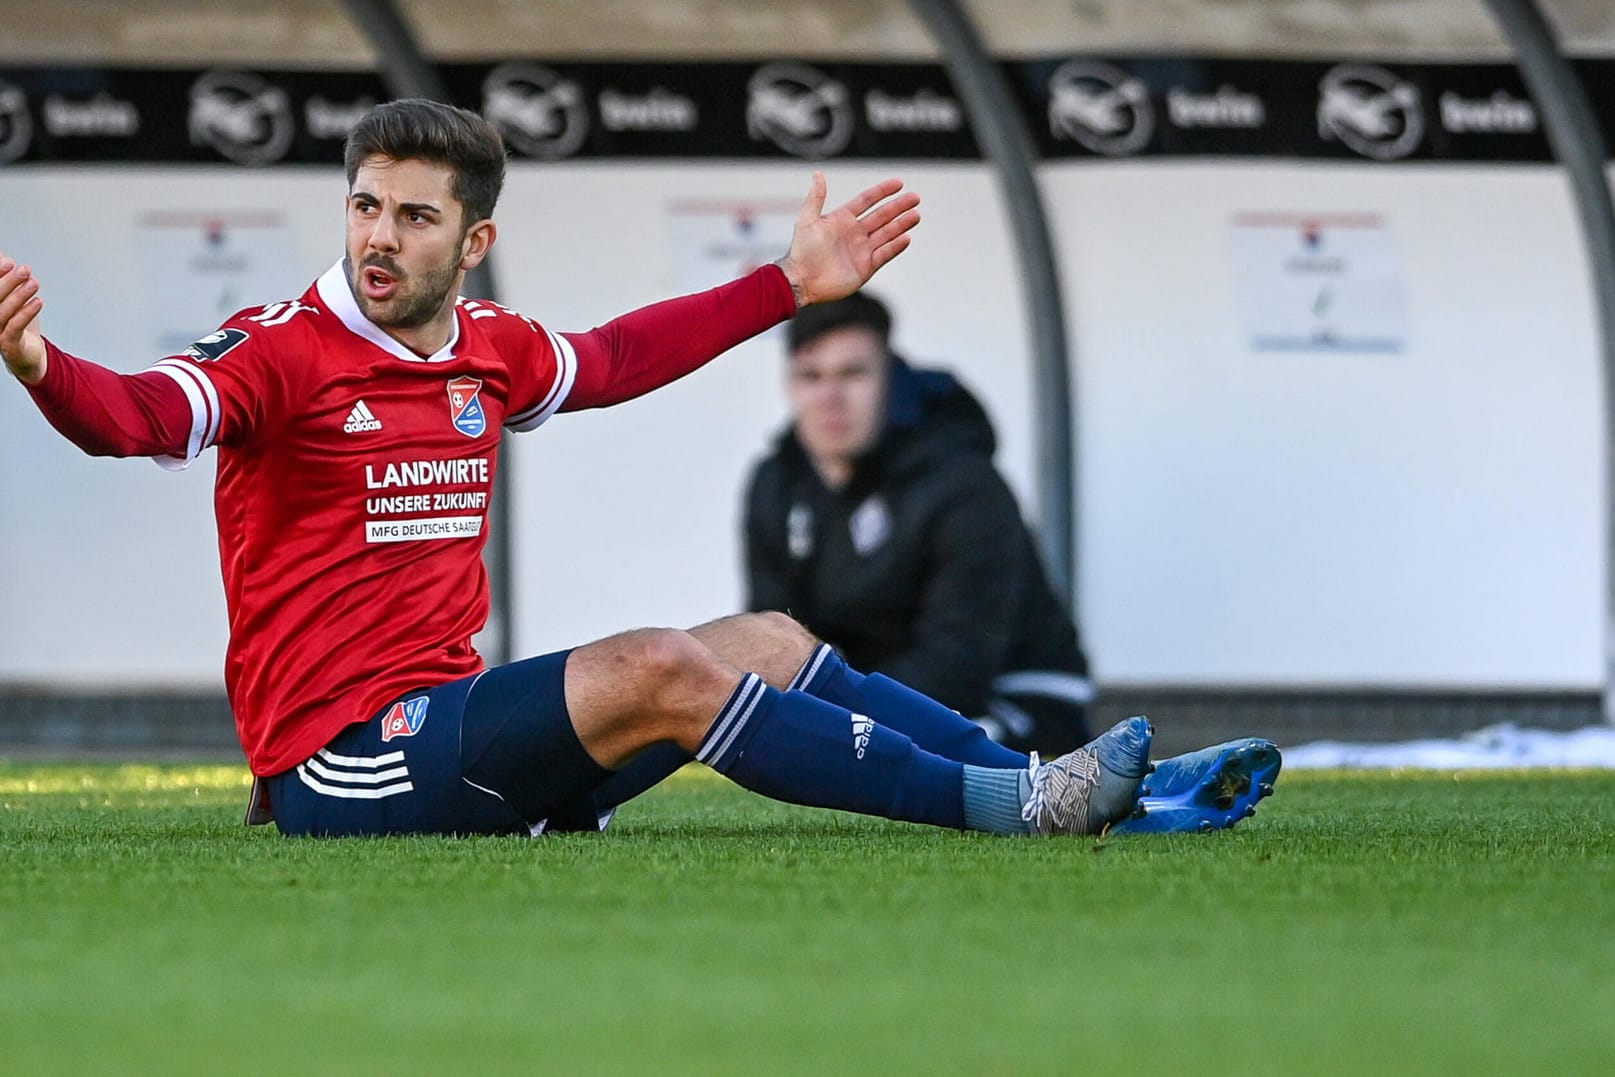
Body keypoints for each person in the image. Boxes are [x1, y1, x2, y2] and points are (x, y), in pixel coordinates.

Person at [1, 98, 1273, 839]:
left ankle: (1088, 789)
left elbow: (613, 356)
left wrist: (789, 284)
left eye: (415, 216)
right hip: (337, 763)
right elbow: (135, 417)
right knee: (663, 663)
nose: (380, 238)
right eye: (365, 206)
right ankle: (1016, 807)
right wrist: (39, 360)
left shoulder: (489, 349)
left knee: (767, 636)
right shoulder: (281, 354)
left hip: (457, 732)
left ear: (475, 238)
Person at [744, 291, 1092, 757]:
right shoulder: (776, 485)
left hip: (1016, 700)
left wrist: (833, 717)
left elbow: (959, 665)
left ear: (890, 378)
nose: (830, 397)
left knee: (905, 757)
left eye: (853, 374)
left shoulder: (963, 483)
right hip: (870, 702)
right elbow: (770, 634)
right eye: (811, 376)